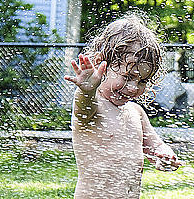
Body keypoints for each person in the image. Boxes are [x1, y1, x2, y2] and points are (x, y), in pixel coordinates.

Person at [64, 15, 183, 199]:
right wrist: (87, 90)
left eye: (142, 80)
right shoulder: (93, 107)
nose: (134, 87)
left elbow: (155, 145)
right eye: (127, 77)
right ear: (100, 64)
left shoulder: (136, 113)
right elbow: (83, 106)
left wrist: (163, 154)